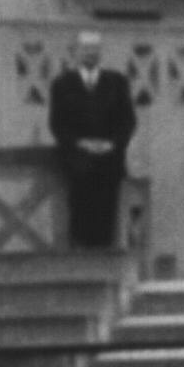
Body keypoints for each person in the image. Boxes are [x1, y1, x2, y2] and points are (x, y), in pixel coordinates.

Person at [48, 29, 138, 250]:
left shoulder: (117, 82)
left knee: (110, 217)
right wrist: (80, 144)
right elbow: (57, 124)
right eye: (86, 48)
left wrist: (112, 144)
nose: (91, 53)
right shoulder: (62, 84)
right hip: (78, 164)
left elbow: (128, 121)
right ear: (75, 52)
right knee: (80, 217)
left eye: (95, 48)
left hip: (110, 162)